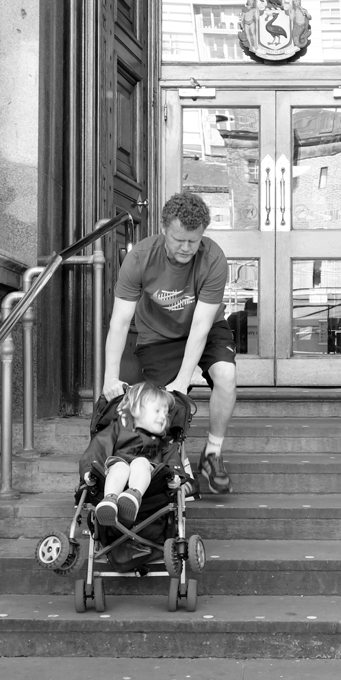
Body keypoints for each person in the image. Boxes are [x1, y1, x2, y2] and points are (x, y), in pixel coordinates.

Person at [102, 192, 237, 494]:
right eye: (179, 240)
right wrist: (110, 376)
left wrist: (183, 381)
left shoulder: (213, 259)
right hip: (158, 335)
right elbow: (120, 322)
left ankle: (212, 454)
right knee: (161, 401)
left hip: (205, 328)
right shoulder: (140, 258)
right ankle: (177, 467)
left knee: (226, 375)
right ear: (164, 229)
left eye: (193, 240)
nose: (186, 248)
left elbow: (201, 327)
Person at [77, 382, 176, 530]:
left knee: (141, 463)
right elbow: (96, 450)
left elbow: (172, 459)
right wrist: (88, 471)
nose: (163, 417)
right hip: (114, 474)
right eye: (157, 411)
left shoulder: (163, 442)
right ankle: (110, 501)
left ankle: (132, 496)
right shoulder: (116, 430)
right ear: (135, 411)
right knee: (119, 466)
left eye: (166, 413)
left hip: (151, 487)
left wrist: (176, 475)